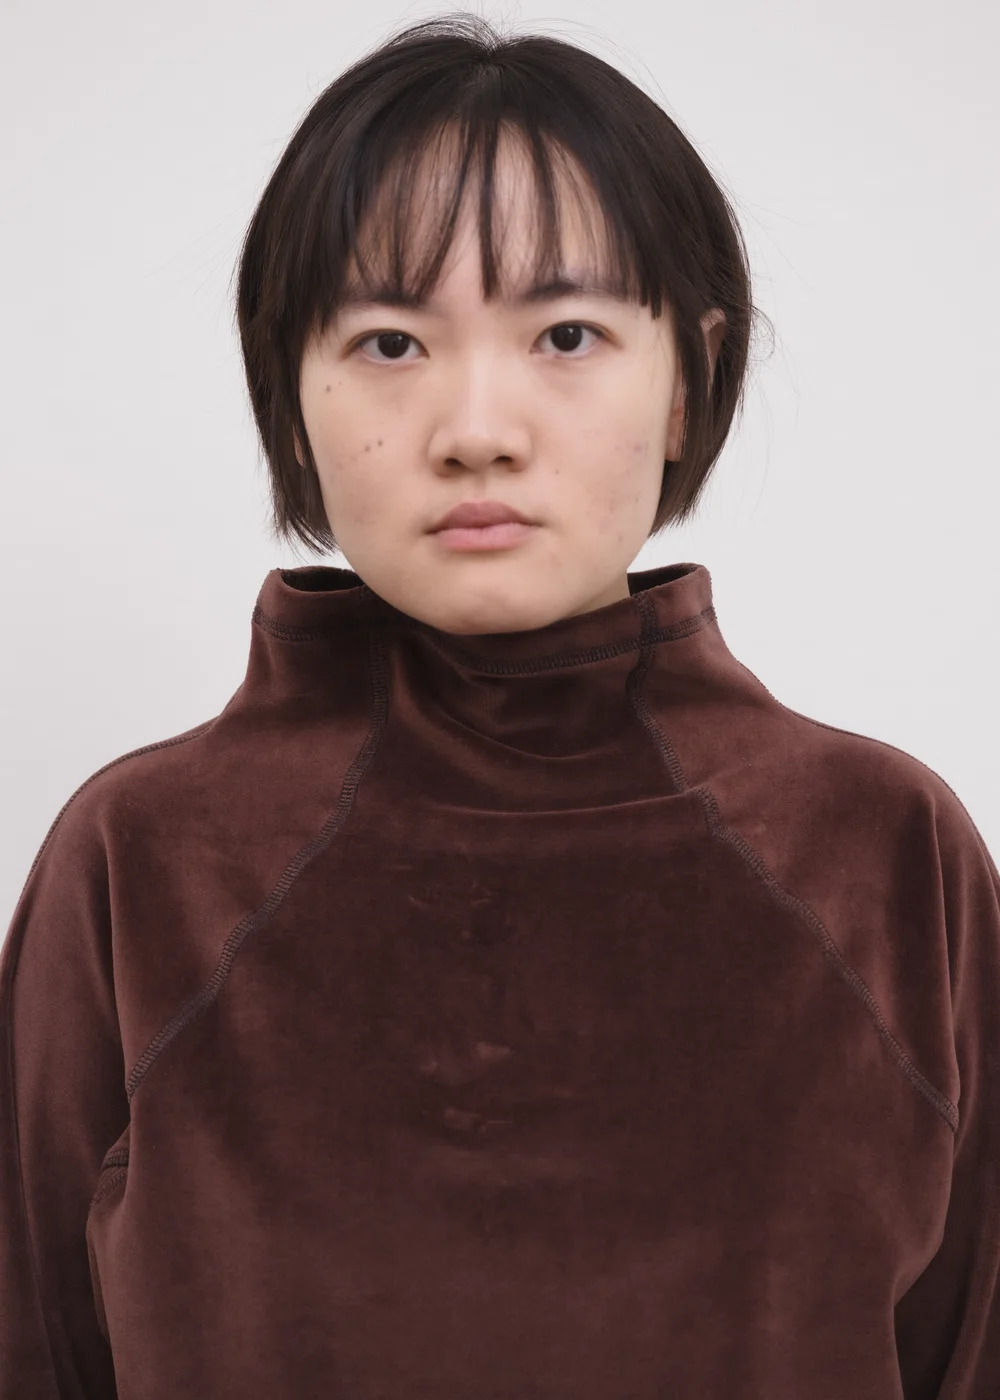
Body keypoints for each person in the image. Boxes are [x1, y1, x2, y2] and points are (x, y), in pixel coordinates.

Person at [2, 12, 998, 1398]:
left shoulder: (883, 851)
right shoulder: (142, 859)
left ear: (691, 377)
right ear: (291, 398)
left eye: (567, 334)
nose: (477, 427)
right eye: (390, 342)